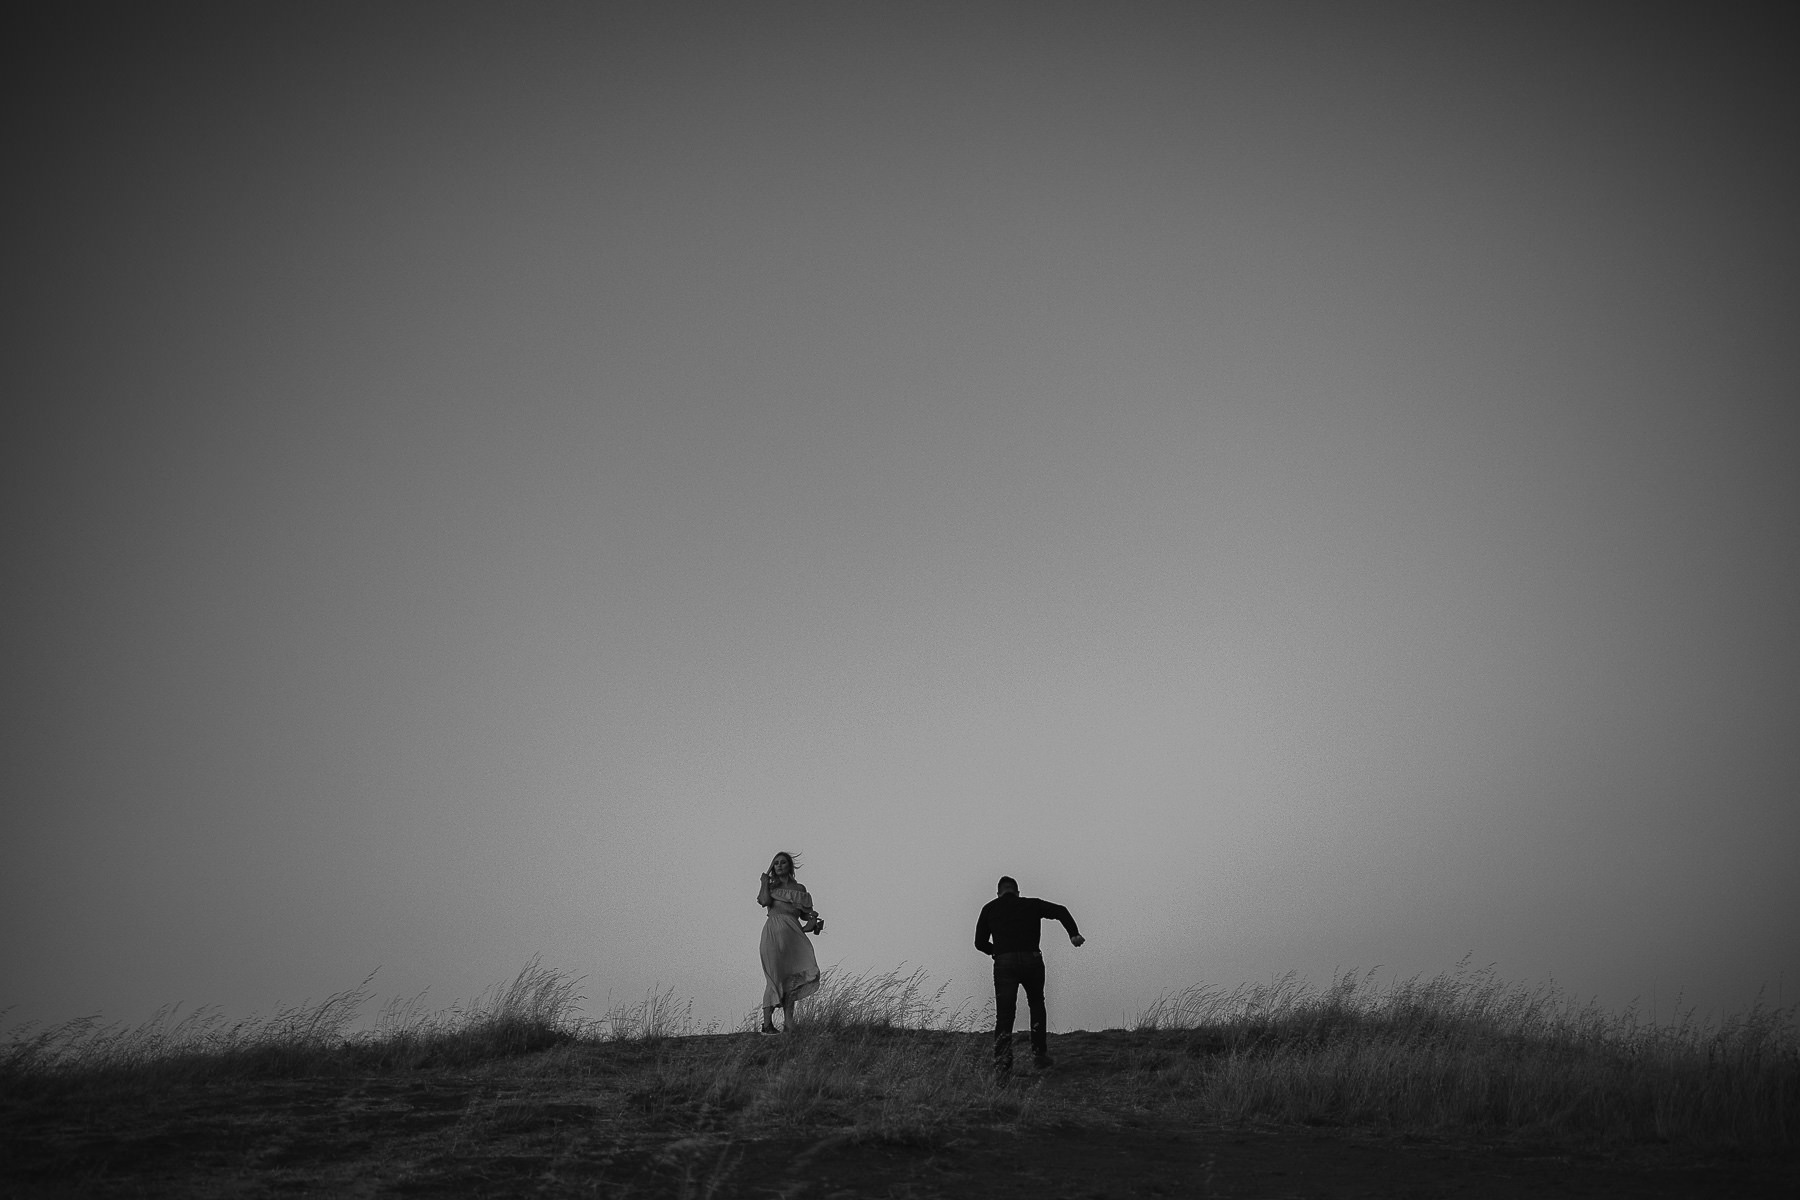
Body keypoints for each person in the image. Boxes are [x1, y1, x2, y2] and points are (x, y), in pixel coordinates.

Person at [974, 875, 1083, 1074]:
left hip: (1004, 962)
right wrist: (1073, 933)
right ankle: (1039, 1055)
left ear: (999, 893)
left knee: (1005, 1015)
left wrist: (995, 951)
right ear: (1017, 891)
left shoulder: (989, 908)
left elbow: (979, 943)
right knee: (1036, 1004)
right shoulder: (1031, 904)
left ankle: (1003, 1063)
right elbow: (1061, 911)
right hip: (1032, 959)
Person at [757, 850, 823, 1033]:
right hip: (773, 933)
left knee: (792, 977)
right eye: (776, 863)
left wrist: (812, 924)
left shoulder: (799, 890)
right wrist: (764, 882)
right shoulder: (770, 888)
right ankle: (767, 1023)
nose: (779, 866)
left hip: (793, 935)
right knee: (773, 975)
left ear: (789, 866)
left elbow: (806, 916)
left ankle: (788, 1022)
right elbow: (763, 901)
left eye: (782, 862)